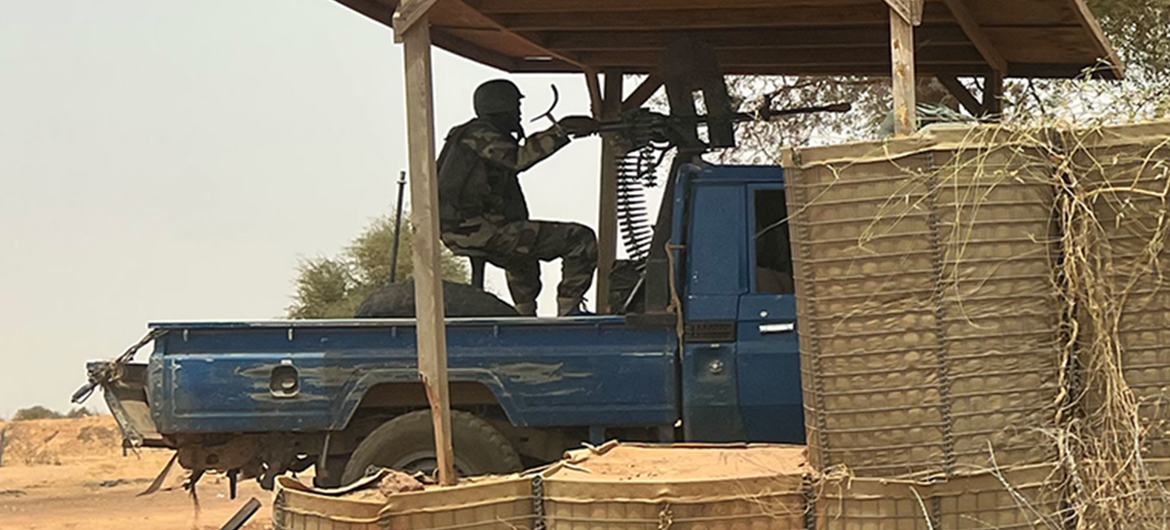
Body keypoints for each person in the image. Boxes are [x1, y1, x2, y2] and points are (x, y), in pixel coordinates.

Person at [437, 79, 601, 316]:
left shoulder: (465, 136)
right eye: (516, 107)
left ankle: (524, 316)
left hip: (472, 231)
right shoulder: (479, 134)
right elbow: (518, 159)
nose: (519, 113)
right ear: (501, 107)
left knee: (522, 252)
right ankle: (569, 311)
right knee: (580, 239)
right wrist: (561, 130)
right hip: (478, 232)